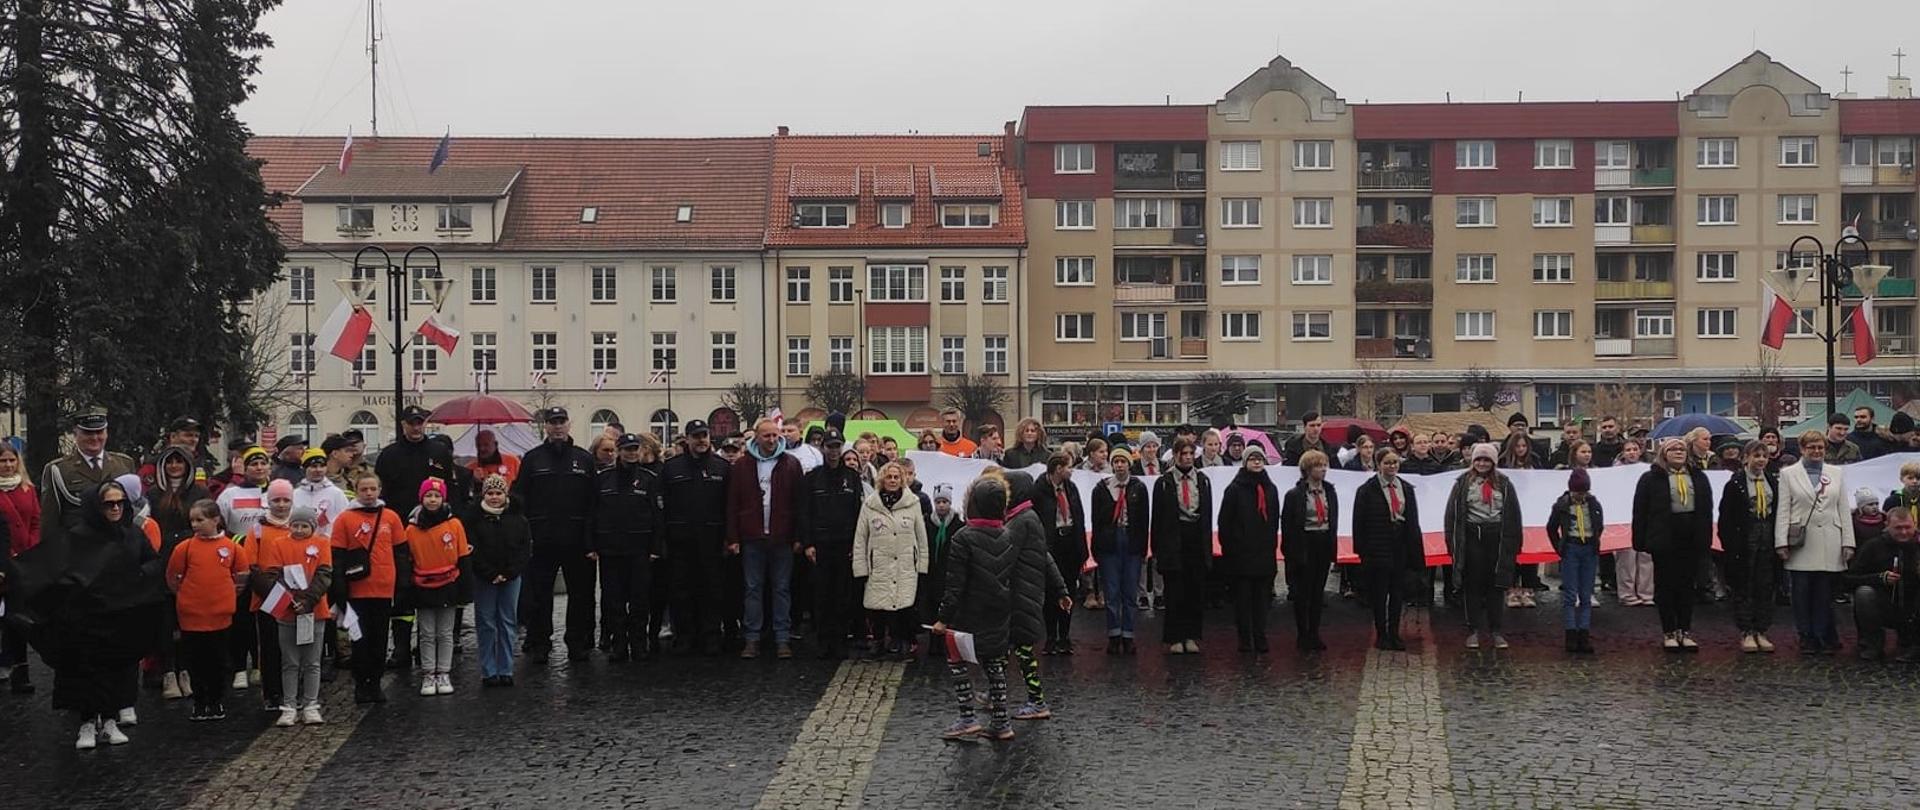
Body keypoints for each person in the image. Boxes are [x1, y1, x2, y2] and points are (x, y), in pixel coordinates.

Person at [27, 482, 164, 750]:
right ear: (95, 506)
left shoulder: (132, 534)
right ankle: (87, 723)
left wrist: (139, 576)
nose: (115, 508)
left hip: (122, 616)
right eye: (108, 504)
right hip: (86, 619)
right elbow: (57, 571)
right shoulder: (77, 536)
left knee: (118, 671)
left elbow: (152, 561)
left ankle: (111, 720)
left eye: (120, 503)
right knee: (85, 672)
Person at [932, 475, 1020, 742]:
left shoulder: (963, 538)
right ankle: (1002, 722)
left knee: (957, 663)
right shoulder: (1009, 535)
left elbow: (954, 585)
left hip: (968, 613)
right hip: (1000, 610)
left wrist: (942, 619)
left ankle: (967, 718)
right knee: (995, 664)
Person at [512, 407, 599, 664]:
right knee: (539, 596)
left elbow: (594, 502)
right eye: (553, 423)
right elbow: (520, 498)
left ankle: (577, 642)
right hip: (541, 540)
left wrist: (591, 540)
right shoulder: (532, 459)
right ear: (546, 427)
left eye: (561, 422)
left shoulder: (583, 459)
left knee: (580, 595)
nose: (558, 427)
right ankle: (540, 642)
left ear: (569, 425)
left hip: (577, 540)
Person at [726, 418, 803, 660]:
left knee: (781, 589)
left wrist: (799, 536)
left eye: (775, 436)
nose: (771, 440)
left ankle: (782, 638)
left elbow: (800, 505)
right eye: (767, 436)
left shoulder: (790, 464)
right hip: (752, 537)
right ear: (756, 438)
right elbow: (732, 504)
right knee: (752, 589)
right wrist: (732, 537)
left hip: (782, 537)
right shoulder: (742, 465)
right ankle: (752, 639)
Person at [166, 500, 249, 721]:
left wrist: (228, 596)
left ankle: (216, 700)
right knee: (195, 660)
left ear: (215, 520)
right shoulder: (184, 548)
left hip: (220, 614)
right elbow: (173, 577)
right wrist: (186, 596)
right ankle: (200, 701)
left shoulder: (231, 547)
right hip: (191, 615)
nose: (195, 524)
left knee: (218, 660)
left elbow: (242, 575)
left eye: (200, 520)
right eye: (192, 520)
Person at [1776, 431, 1855, 655]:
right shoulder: (1789, 474)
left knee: (1824, 595)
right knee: (1801, 594)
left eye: (1820, 447)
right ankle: (1806, 636)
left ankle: (1822, 635)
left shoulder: (1836, 473)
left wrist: (1848, 542)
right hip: (1801, 541)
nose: (1816, 451)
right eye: (1811, 447)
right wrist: (1781, 542)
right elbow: (1784, 509)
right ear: (1802, 449)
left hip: (1830, 539)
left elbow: (1843, 508)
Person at [1632, 438, 1713, 652]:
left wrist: (1705, 538)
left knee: (1687, 586)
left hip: (1691, 536)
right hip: (1664, 537)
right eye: (1673, 449)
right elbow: (1640, 511)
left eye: (1681, 449)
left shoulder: (1698, 477)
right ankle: (1668, 630)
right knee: (1666, 586)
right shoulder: (1650, 479)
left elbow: (1706, 511)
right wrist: (1639, 540)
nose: (1678, 452)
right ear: (1663, 454)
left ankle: (1684, 630)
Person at [331, 473, 406, 703]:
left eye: (373, 489)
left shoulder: (391, 517)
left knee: (380, 639)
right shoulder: (344, 519)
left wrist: (402, 585)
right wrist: (340, 589)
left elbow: (401, 553)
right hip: (357, 589)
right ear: (356, 490)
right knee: (359, 639)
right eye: (364, 489)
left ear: (380, 490)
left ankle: (375, 682)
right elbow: (338, 556)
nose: (369, 493)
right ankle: (360, 682)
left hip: (383, 588)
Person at [591, 434, 665, 663]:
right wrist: (592, 545)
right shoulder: (603, 479)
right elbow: (593, 514)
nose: (631, 453)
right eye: (626, 449)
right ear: (619, 451)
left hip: (640, 550)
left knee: (640, 600)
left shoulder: (649, 479)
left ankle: (639, 644)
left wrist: (655, 547)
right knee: (614, 600)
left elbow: (658, 517)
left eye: (635, 449)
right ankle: (619, 644)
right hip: (611, 550)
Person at [257, 506, 333, 726]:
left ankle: (311, 704)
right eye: (295, 525)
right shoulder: (279, 544)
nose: (299, 530)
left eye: (304, 526)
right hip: (288, 611)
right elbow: (273, 574)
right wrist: (289, 600)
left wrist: (307, 600)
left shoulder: (321, 544)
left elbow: (324, 575)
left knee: (312, 662)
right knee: (289, 662)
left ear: (312, 526)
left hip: (313, 610)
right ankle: (289, 705)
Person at [662, 420, 732, 655]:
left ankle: (711, 635)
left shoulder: (722, 468)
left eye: (704, 435)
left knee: (712, 589)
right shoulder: (671, 468)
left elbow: (729, 506)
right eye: (696, 436)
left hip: (712, 539)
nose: (701, 440)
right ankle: (684, 636)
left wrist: (728, 538)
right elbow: (664, 505)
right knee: (681, 590)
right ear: (687, 439)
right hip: (681, 540)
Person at [1445, 443, 1522, 650]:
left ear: (1493, 462)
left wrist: (1514, 546)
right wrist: (1452, 545)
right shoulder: (1462, 483)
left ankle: (1496, 630)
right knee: (1473, 586)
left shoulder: (1504, 484)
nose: (1482, 463)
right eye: (1479, 459)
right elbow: (1452, 516)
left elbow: (1514, 515)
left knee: (1496, 586)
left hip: (1496, 536)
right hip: (1471, 537)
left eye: (1486, 460)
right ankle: (1473, 630)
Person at [853, 462, 928, 658]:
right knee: (878, 606)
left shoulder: (913, 503)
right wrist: (860, 568)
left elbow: (921, 537)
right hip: (879, 563)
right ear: (882, 479)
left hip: (905, 564)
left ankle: (900, 641)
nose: (893, 480)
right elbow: (861, 538)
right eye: (889, 477)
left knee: (903, 606)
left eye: (896, 477)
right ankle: (878, 641)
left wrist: (922, 565)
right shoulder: (870, 504)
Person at [1352, 447, 1422, 651]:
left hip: (1400, 544)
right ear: (1379, 464)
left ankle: (1395, 632)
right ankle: (1381, 633)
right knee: (1379, 593)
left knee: (1397, 593)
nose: (1392, 466)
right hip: (1377, 545)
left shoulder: (1406, 488)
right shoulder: (1367, 489)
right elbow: (1359, 522)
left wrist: (1415, 550)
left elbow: (1412, 519)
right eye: (1387, 463)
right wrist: (1362, 551)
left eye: (1395, 463)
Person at [404, 478, 468, 695]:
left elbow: (462, 556)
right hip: (422, 584)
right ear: (421, 499)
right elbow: (409, 559)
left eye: (437, 496)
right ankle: (428, 673)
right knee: (427, 632)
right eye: (428, 496)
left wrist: (465, 589)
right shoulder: (411, 529)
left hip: (449, 582)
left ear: (443, 498)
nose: (433, 500)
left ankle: (444, 672)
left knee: (446, 632)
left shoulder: (454, 525)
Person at [464, 474, 530, 686]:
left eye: (498, 493)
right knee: (486, 623)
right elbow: (472, 550)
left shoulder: (518, 519)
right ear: (483, 495)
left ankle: (506, 668)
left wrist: (509, 572)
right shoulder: (473, 519)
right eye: (490, 493)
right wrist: (490, 573)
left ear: (505, 494)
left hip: (511, 577)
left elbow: (524, 549)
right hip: (485, 577)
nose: (494, 497)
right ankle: (488, 670)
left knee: (508, 622)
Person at [800, 438, 863, 659]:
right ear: (823, 448)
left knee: (842, 595)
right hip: (820, 545)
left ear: (842, 448)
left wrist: (857, 544)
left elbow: (858, 514)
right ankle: (823, 640)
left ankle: (839, 640)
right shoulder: (812, 478)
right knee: (821, 594)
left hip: (845, 544)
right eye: (829, 447)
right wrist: (807, 543)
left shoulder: (852, 477)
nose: (833, 451)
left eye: (837, 447)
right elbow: (805, 512)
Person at [1717, 441, 1780, 654]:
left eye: (1764, 456)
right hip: (1745, 534)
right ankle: (1746, 630)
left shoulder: (1772, 481)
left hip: (1767, 533)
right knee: (1744, 583)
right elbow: (1726, 517)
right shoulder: (1735, 484)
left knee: (1765, 583)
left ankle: (1762, 629)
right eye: (1756, 455)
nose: (1761, 459)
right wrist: (1729, 546)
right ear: (1746, 458)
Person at [40, 411, 138, 546]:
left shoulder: (124, 464)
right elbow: (50, 520)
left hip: (118, 548)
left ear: (106, 433)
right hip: (79, 550)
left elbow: (133, 512)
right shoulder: (58, 470)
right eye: (88, 433)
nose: (95, 437)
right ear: (75, 434)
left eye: (100, 432)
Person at [1218, 446, 1281, 653]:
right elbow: (1225, 522)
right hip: (1241, 555)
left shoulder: (1270, 488)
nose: (1256, 462)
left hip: (1263, 554)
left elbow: (1273, 521)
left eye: (1260, 459)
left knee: (1262, 601)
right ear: (1245, 462)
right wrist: (1232, 549)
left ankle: (1260, 635)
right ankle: (1245, 638)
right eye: (1252, 459)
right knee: (1243, 601)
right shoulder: (1234, 489)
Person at [1153, 438, 1212, 654]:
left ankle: (1191, 635)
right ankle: (1174, 636)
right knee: (1175, 591)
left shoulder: (1203, 480)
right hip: (1173, 540)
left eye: (1190, 454)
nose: (1187, 457)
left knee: (1194, 591)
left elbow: (1207, 514)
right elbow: (1157, 518)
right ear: (1175, 455)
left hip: (1195, 539)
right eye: (1183, 453)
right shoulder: (1164, 482)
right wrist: (1157, 550)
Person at [1090, 448, 1149, 653]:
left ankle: (1129, 633)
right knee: (1112, 591)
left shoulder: (1138, 488)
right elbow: (1096, 520)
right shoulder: (1102, 488)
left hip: (1131, 541)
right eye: (1116, 462)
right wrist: (1096, 547)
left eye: (1123, 461)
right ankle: (1114, 633)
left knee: (1129, 591)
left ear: (1129, 464)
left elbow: (1143, 521)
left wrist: (1142, 548)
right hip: (1110, 542)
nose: (1120, 465)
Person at [1845, 506, 1919, 661]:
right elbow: (1848, 580)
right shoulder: (1873, 546)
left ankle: (1914, 645)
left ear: (1915, 525)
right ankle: (1872, 644)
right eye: (1898, 528)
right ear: (1887, 525)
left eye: (1908, 528)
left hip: (1914, 607)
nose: (1904, 532)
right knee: (1864, 593)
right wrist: (1879, 578)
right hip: (1884, 604)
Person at [1281, 450, 1337, 652]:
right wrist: (1292, 554)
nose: (1322, 470)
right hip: (1305, 543)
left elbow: (1334, 520)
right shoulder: (1295, 495)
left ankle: (1314, 632)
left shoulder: (1329, 491)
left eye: (1324, 465)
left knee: (1317, 593)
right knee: (1303, 593)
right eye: (1318, 466)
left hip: (1323, 542)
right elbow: (1288, 525)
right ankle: (1302, 633)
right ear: (1307, 469)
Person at [1029, 453, 1086, 655]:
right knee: (1051, 591)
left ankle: (1065, 635)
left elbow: (1079, 517)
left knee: (1068, 589)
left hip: (1069, 542)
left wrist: (1082, 549)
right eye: (1069, 467)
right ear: (1059, 468)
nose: (1072, 471)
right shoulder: (1039, 490)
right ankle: (1051, 636)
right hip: (1049, 546)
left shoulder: (1071, 488)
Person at [0, 440, 43, 693]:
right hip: (3, 560)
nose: (7, 465)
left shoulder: (28, 489)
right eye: (3, 461)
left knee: (17, 617)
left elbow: (36, 521)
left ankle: (20, 669)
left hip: (25, 561)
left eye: (11, 460)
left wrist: (32, 548)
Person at [1545, 469, 1603, 654]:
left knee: (1586, 594)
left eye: (1583, 492)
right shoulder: (1562, 505)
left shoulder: (1593, 504)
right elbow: (1551, 527)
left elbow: (1599, 525)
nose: (1580, 496)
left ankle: (1583, 634)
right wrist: (1560, 548)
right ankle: (1570, 633)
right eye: (1577, 492)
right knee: (1570, 595)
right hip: (1571, 548)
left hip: (1589, 549)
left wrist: (1594, 540)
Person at [920, 484, 963, 657]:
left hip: (949, 571)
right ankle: (933, 642)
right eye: (938, 502)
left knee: (946, 608)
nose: (941, 505)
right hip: (932, 572)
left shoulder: (958, 525)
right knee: (931, 607)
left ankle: (945, 642)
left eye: (945, 501)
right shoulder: (926, 522)